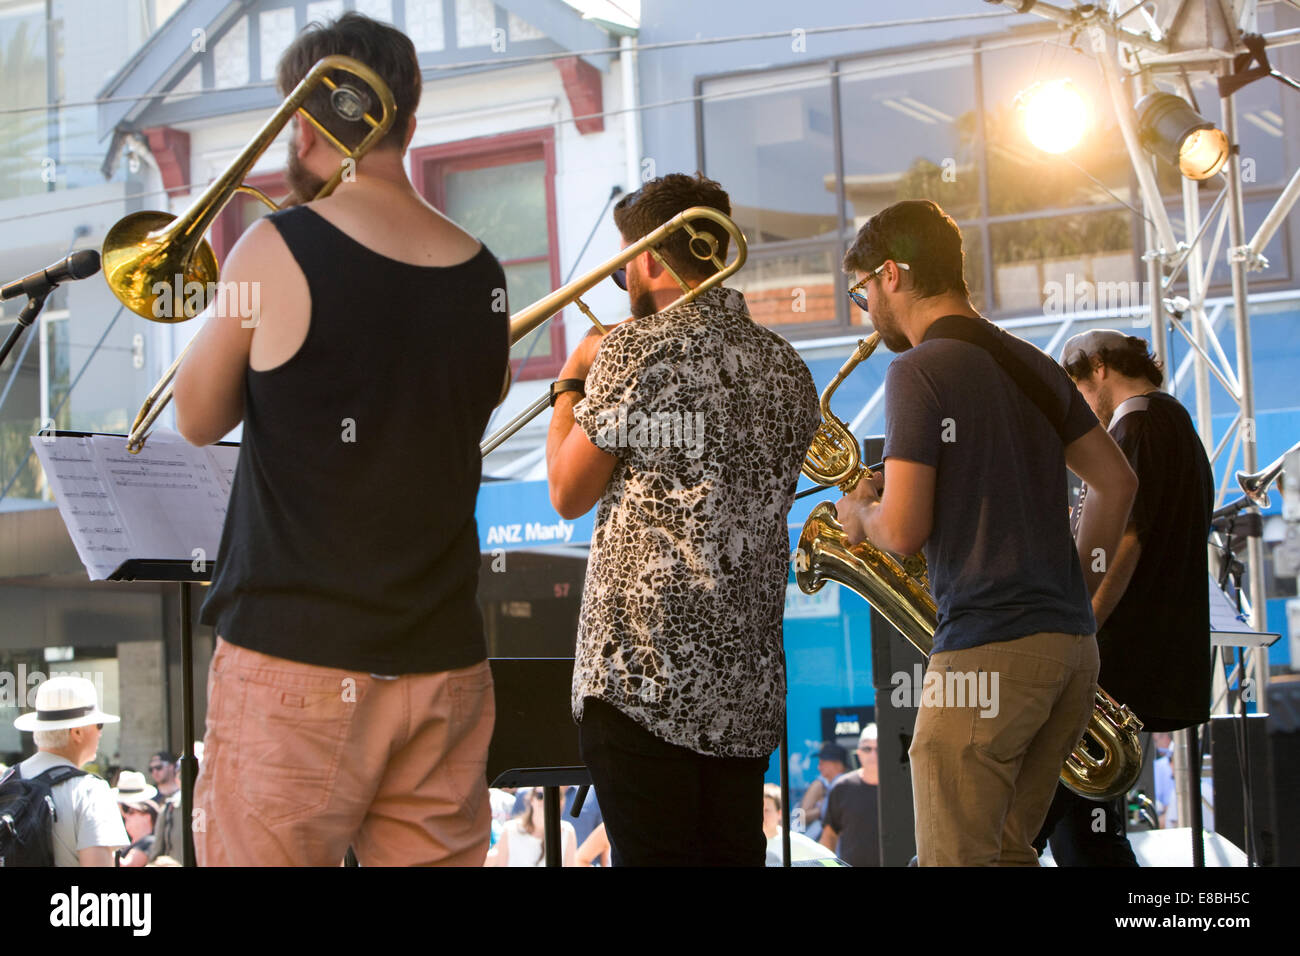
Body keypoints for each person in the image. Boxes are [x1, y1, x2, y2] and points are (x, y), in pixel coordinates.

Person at [174, 12, 507, 866]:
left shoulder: (269, 249)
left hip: (296, 663)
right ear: (411, 120)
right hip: (444, 666)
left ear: (303, 119)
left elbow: (197, 415)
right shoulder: (486, 274)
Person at [833, 200, 1137, 866]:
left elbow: (905, 528)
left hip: (987, 653)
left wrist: (858, 518)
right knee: (1004, 855)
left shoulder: (917, 369)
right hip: (1069, 652)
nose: (866, 311)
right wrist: (1073, 591)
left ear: (891, 275)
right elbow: (1116, 485)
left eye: (861, 293)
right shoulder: (1029, 360)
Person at [547, 173, 820, 866]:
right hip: (745, 692)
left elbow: (566, 492)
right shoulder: (787, 368)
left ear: (644, 259)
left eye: (621, 268)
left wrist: (571, 381)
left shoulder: (632, 351)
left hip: (642, 678)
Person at [1035, 330, 1214, 865]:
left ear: (1098, 368)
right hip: (1140, 658)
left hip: (1112, 657)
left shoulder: (1136, 423)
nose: (1078, 407)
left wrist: (1081, 632)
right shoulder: (1175, 422)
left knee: (1028, 819)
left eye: (1076, 387)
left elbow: (1127, 541)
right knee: (1086, 833)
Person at [11, 676, 129, 866]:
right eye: (98, 725)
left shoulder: (6, 781)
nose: (100, 733)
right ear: (77, 732)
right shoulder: (90, 791)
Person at [819, 724, 881, 866]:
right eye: (867, 748)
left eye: (878, 748)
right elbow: (829, 837)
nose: (873, 754)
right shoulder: (841, 787)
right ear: (858, 752)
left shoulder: (902, 787)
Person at [490, 788, 578, 867]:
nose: (546, 800)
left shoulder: (567, 831)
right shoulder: (509, 829)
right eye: (540, 796)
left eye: (555, 796)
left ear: (561, 801)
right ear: (532, 799)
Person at [764, 782, 837, 866]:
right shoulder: (747, 843)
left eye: (766, 810)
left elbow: (832, 861)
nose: (762, 815)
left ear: (779, 813)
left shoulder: (793, 842)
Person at [798, 742, 848, 840]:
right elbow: (800, 817)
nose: (819, 767)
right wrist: (822, 809)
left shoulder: (848, 783)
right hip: (821, 842)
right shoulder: (820, 784)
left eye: (822, 763)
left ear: (836, 764)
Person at [110, 770, 158, 867]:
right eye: (123, 808)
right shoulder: (130, 842)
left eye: (129, 810)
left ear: (147, 816)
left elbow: (128, 865)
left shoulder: (149, 841)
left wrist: (101, 846)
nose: (125, 815)